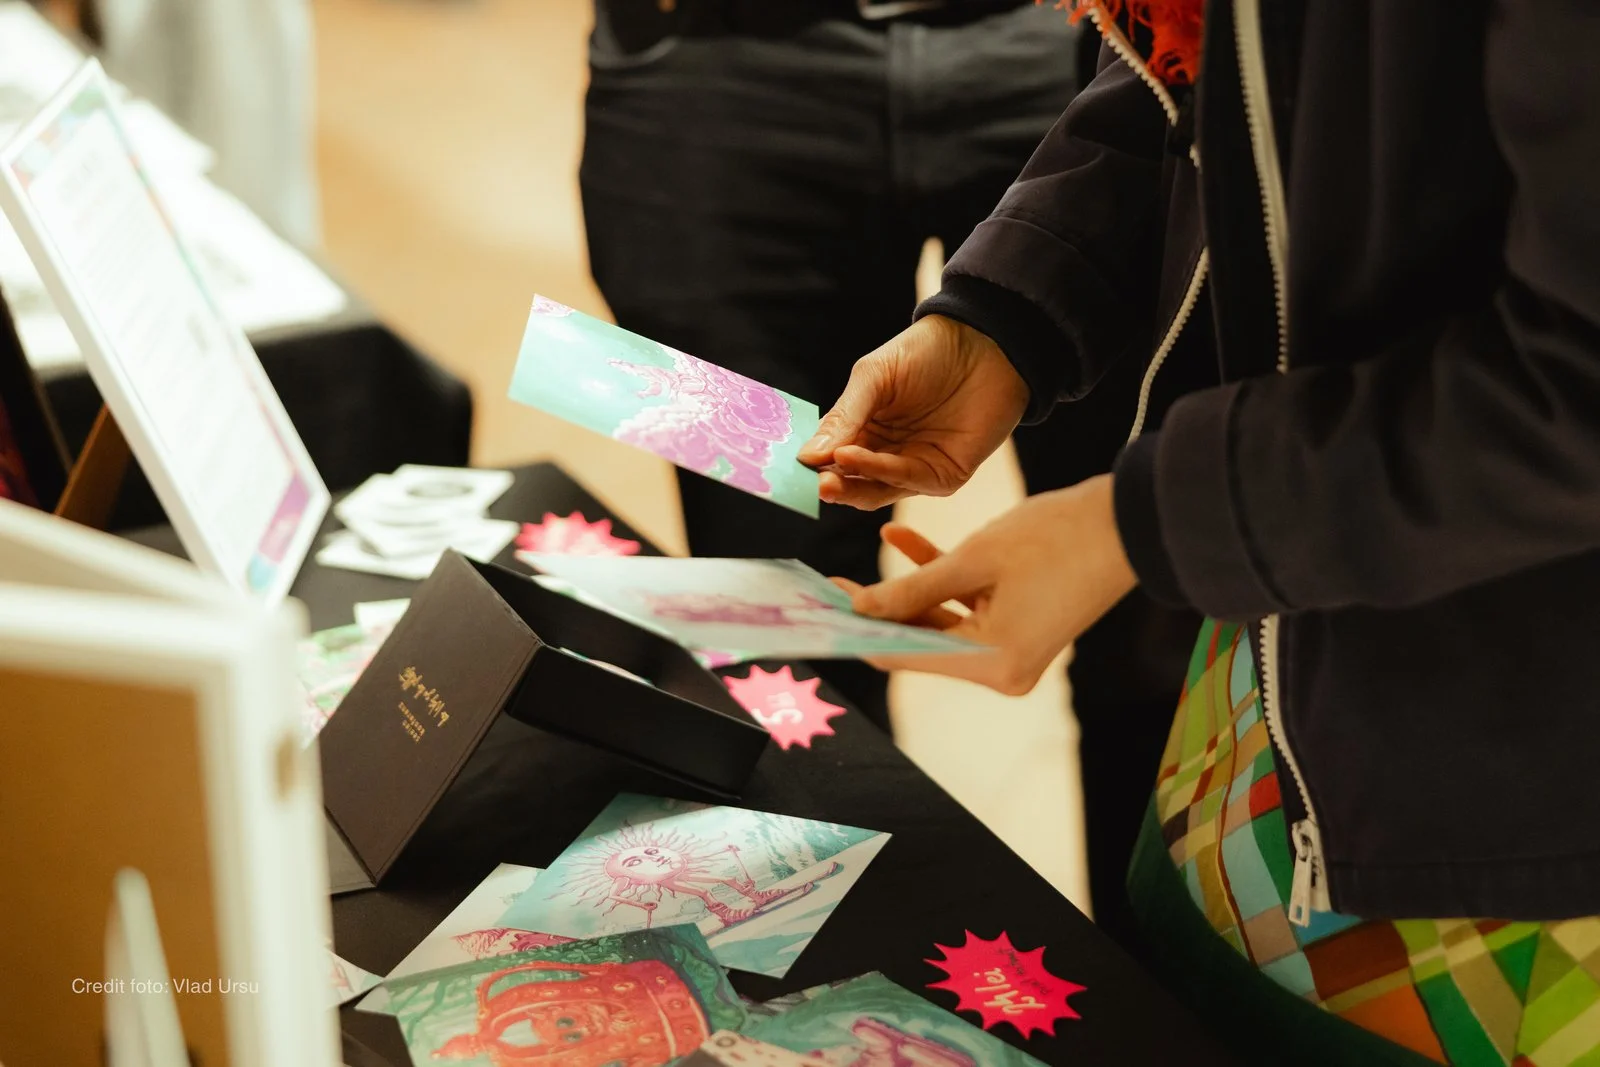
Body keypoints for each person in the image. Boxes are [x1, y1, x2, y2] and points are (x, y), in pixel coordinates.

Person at [803, 1, 1600, 1063]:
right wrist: (1009, 312)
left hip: (1529, 801)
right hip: (1273, 662)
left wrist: (1138, 524)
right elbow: (1207, 78)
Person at [580, 0, 1199, 946]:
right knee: (776, 629)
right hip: (707, 66)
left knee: (1152, 631)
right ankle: (845, 988)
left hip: (1073, 43)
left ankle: (1161, 999)